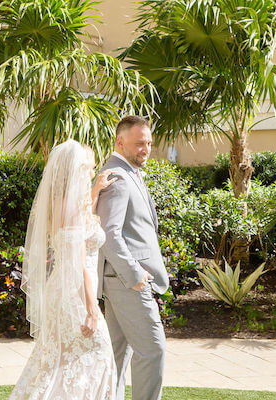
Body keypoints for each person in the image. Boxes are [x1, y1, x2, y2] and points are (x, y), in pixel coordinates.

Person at [9, 139, 117, 400]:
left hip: (62, 291)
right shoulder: (71, 207)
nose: (93, 173)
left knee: (58, 361)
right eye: (88, 169)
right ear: (76, 171)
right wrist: (92, 309)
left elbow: (78, 224)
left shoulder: (64, 203)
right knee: (98, 355)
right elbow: (78, 263)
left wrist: (94, 192)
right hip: (75, 292)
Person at [96, 116, 170, 400]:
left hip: (121, 281)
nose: (146, 148)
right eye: (139, 143)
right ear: (120, 142)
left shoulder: (128, 172)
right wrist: (135, 274)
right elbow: (108, 232)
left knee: (117, 354)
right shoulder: (117, 176)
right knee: (152, 350)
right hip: (127, 282)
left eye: (149, 143)